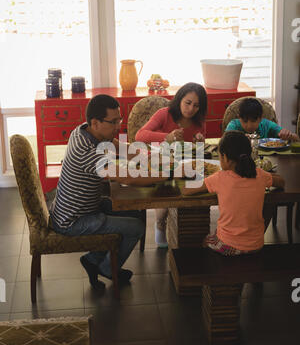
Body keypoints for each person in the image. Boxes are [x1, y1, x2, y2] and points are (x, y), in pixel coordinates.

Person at [50, 94, 165, 291]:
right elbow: (127, 177)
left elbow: (122, 148)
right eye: (113, 122)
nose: (118, 126)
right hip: (73, 220)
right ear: (95, 122)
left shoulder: (82, 131)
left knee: (134, 212)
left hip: (85, 207)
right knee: (136, 227)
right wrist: (166, 175)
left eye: (118, 120)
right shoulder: (87, 152)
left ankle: (92, 260)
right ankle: (106, 268)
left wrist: (153, 157)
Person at [182, 131, 285, 256]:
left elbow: (187, 191)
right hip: (257, 244)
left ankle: (215, 264)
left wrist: (185, 174)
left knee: (205, 240)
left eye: (219, 157)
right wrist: (267, 177)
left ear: (225, 158)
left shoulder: (219, 178)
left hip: (228, 245)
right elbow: (281, 182)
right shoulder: (260, 174)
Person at [135, 82, 207, 247]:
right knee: (168, 188)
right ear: (179, 99)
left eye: (196, 106)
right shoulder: (164, 114)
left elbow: (199, 147)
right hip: (161, 162)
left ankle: (189, 232)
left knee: (198, 189)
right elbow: (140, 135)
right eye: (187, 103)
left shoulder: (199, 121)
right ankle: (160, 222)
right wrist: (166, 137)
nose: (191, 109)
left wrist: (199, 141)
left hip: (186, 165)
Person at [225, 97, 299, 141]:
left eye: (253, 121)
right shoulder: (233, 125)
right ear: (239, 117)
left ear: (260, 118)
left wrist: (288, 135)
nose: (249, 125)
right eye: (245, 121)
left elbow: (297, 139)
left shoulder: (267, 125)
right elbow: (224, 141)